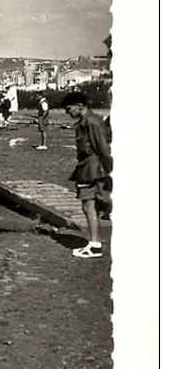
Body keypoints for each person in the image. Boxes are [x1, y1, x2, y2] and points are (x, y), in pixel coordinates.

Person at [61, 91, 113, 259]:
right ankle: (93, 243)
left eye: (69, 108)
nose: (67, 112)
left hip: (91, 169)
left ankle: (95, 245)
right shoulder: (88, 121)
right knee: (90, 205)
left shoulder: (91, 122)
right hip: (88, 167)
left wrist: (109, 169)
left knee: (88, 205)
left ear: (79, 106)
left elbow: (103, 149)